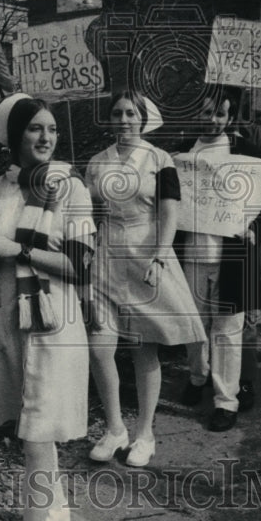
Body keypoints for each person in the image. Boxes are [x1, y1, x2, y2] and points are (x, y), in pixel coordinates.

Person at [0, 96, 95, 521]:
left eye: (51, 130)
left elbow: (81, 267)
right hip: (5, 318)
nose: (45, 138)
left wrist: (14, 248)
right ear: (17, 136)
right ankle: (56, 503)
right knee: (25, 420)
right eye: (34, 130)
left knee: (36, 435)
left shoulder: (70, 188)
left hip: (52, 319)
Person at [84, 91, 205, 466]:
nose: (123, 120)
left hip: (146, 251)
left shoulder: (160, 160)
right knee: (99, 347)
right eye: (117, 113)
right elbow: (87, 210)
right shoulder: (96, 162)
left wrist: (158, 255)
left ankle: (145, 433)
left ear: (142, 118)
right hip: (106, 252)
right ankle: (115, 427)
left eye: (130, 113)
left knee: (143, 346)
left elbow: (170, 212)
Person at [177, 87, 261, 431]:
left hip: (230, 256)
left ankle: (226, 401)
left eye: (220, 113)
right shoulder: (180, 154)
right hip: (190, 252)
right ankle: (197, 375)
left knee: (228, 330)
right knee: (193, 323)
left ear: (230, 118)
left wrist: (253, 226)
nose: (212, 120)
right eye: (205, 112)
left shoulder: (245, 153)